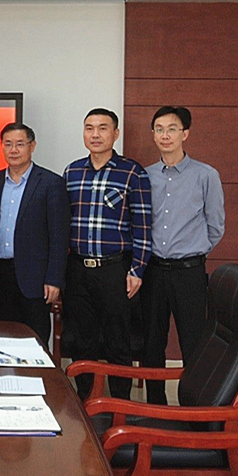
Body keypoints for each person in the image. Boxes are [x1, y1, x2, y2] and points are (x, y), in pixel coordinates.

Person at [63, 108, 152, 400]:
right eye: (89, 128)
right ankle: (85, 401)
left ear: (115, 134)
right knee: (81, 340)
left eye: (103, 128)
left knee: (118, 341)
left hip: (115, 269)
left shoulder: (132, 172)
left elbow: (143, 225)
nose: (95, 134)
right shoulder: (72, 172)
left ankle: (119, 404)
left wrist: (137, 270)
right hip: (78, 268)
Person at [140, 106, 225, 404]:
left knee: (194, 343)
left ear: (185, 134)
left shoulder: (205, 175)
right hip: (153, 271)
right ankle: (155, 405)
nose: (165, 135)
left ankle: (194, 407)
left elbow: (215, 226)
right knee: (152, 342)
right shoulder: (145, 176)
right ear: (153, 135)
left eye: (172, 129)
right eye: (159, 129)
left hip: (189, 273)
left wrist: (192, 250)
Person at [0, 122, 70, 345]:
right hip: (0, 276)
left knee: (35, 341)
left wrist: (54, 279)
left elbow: (59, 237)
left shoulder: (51, 183)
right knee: (3, 339)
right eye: (8, 144)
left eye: (20, 144)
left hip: (35, 279)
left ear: (32, 146)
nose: (14, 150)